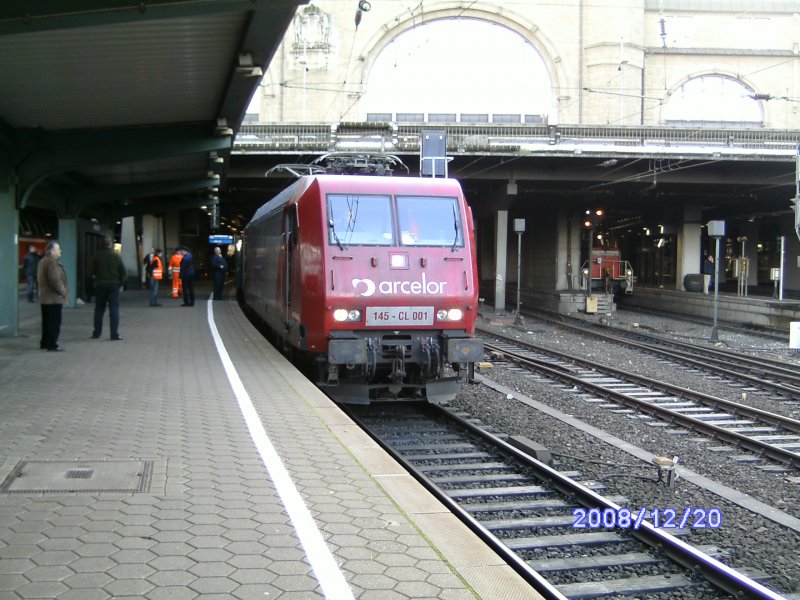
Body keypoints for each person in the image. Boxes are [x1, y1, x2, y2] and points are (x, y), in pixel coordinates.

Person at [88, 236, 127, 340]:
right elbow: (124, 272)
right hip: (114, 285)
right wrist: (120, 284)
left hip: (100, 285)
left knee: (99, 309)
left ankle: (96, 333)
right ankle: (114, 334)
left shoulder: (96, 256)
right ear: (110, 245)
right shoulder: (116, 256)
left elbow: (90, 271)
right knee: (114, 309)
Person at [37, 240, 68, 352]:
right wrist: (63, 292)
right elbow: (55, 280)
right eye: (58, 249)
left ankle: (45, 342)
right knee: (54, 322)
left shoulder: (43, 261)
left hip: (45, 298)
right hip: (53, 298)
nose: (60, 251)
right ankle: (52, 344)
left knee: (46, 321)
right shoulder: (51, 263)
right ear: (53, 251)